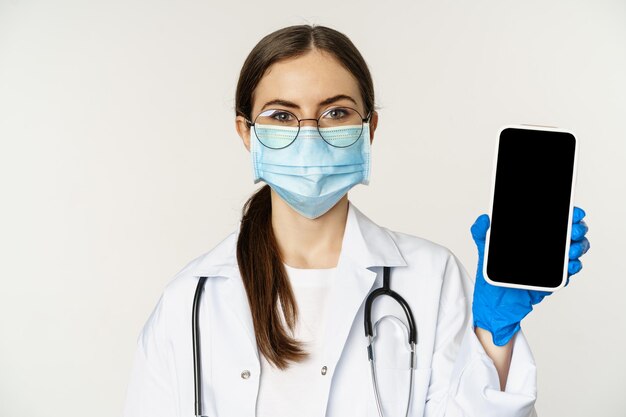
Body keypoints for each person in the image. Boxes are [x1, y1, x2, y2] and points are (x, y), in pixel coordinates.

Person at [122, 24, 590, 417]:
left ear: (369, 129)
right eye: (283, 116)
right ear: (247, 132)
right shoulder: (191, 299)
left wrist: (493, 332)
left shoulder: (431, 277)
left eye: (336, 113)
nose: (310, 135)